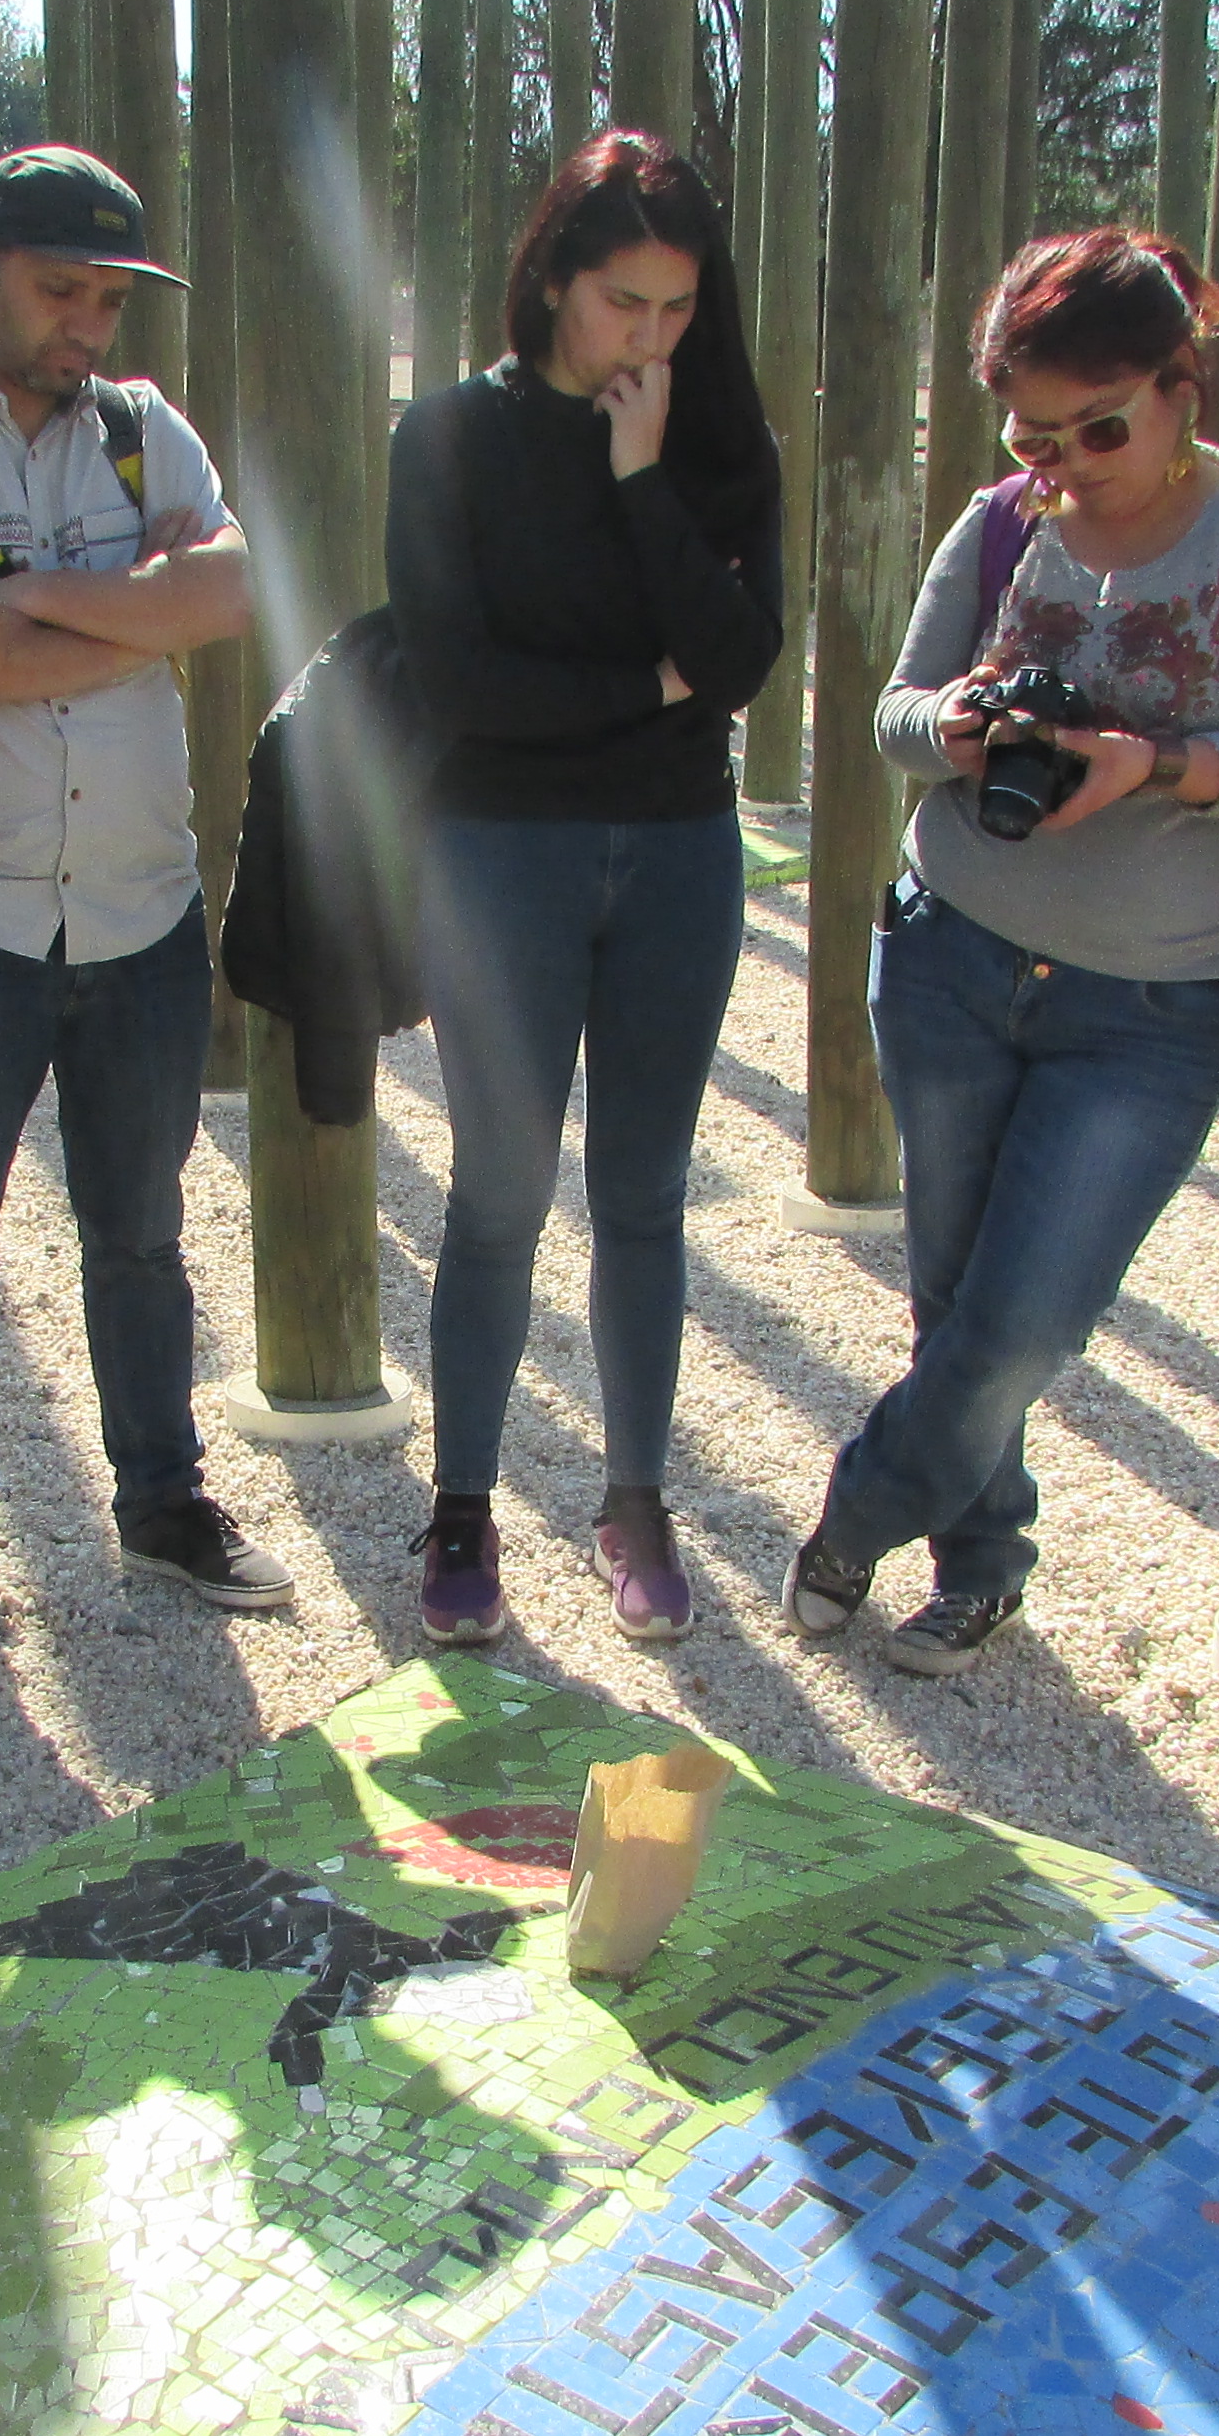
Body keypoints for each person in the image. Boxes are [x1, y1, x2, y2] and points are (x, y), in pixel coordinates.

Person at [783, 230, 1219, 1675]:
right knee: (956, 1298)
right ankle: (984, 1563)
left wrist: (1152, 764)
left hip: (1149, 1005)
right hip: (953, 951)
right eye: (1036, 434)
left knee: (1026, 1321)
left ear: (1182, 387)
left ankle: (864, 1505)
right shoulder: (1000, 524)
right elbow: (892, 713)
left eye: (1103, 428)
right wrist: (958, 724)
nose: (1070, 461)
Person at [0, 142, 285, 1656]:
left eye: (108, 300)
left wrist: (10, 589)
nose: (90, 326)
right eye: (59, 291)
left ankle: (161, 1501)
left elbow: (231, 596)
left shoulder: (150, 433)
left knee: (141, 1230)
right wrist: (128, 619)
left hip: (143, 912)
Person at [384, 131, 783, 1646]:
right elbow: (459, 687)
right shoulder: (448, 439)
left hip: (680, 853)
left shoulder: (713, 435)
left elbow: (742, 664)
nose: (653, 337)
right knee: (498, 1194)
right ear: (552, 276)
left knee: (644, 1197)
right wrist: (652, 679)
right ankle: (463, 1507)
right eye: (625, 301)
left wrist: (640, 479)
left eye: (679, 307)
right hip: (500, 853)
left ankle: (633, 1499)